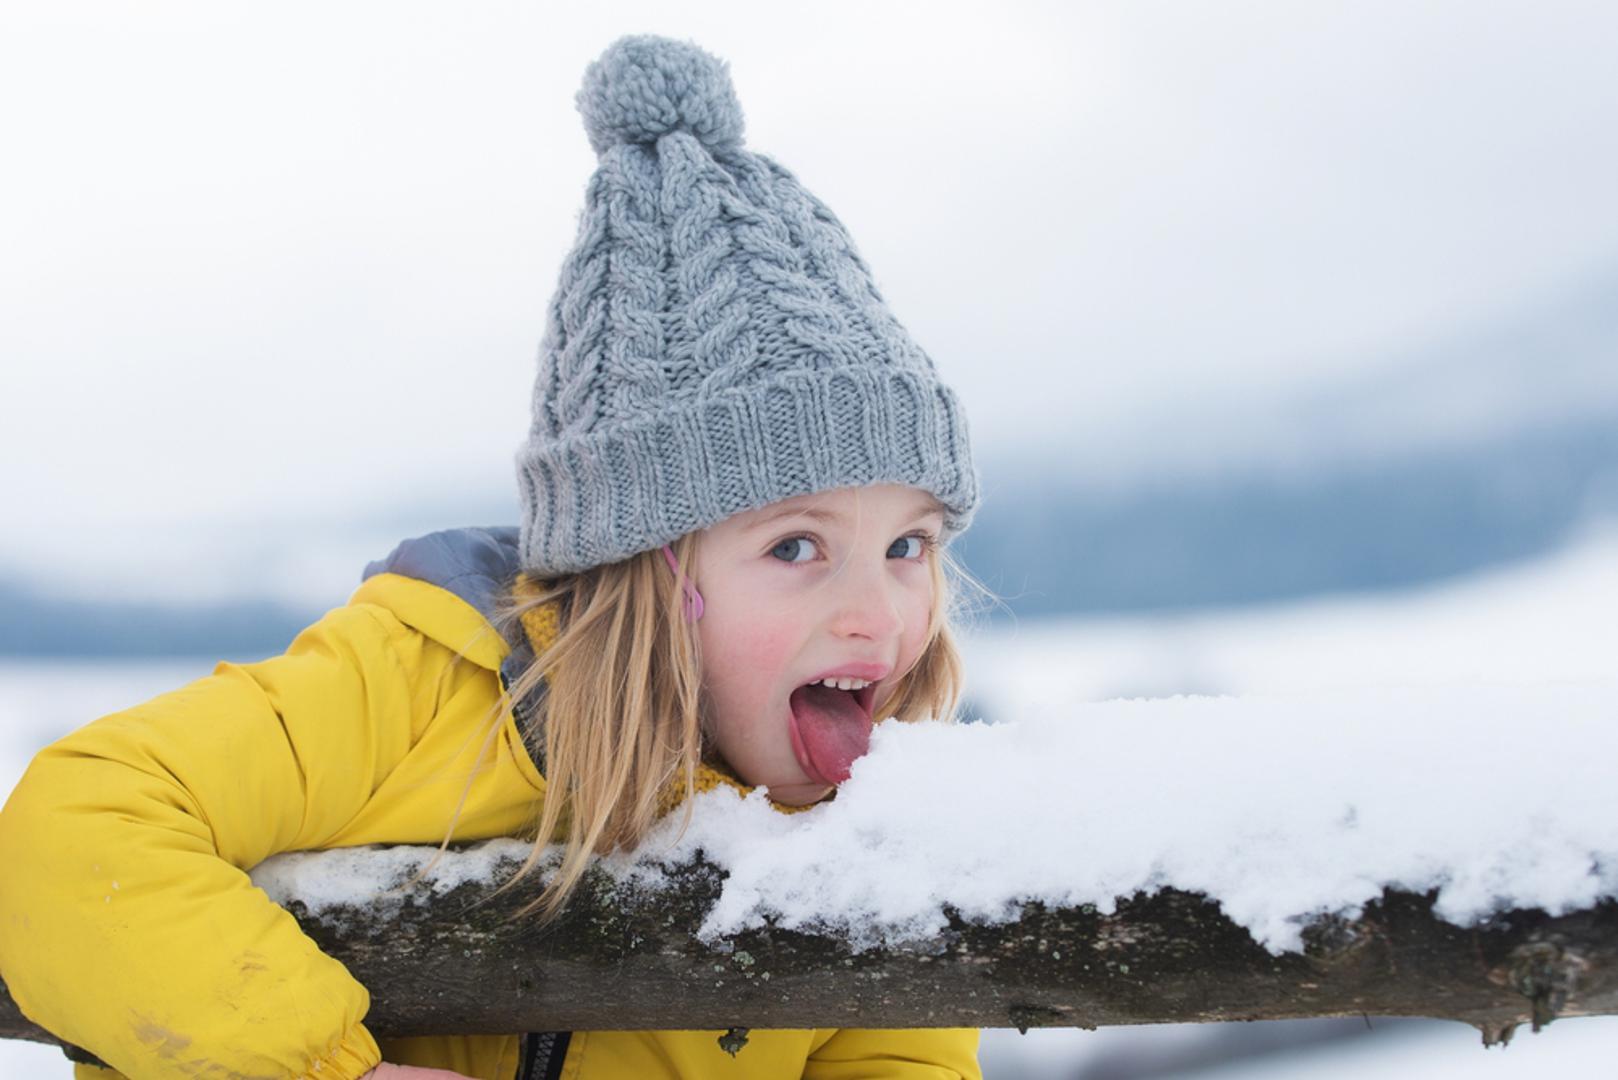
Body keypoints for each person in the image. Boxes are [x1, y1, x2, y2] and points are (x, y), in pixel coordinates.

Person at [0, 33, 985, 1080]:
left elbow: (902, 1054)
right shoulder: (421, 688)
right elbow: (71, 835)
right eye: (796, 546)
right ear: (643, 567)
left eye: (908, 545)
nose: (879, 615)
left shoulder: (881, 822)